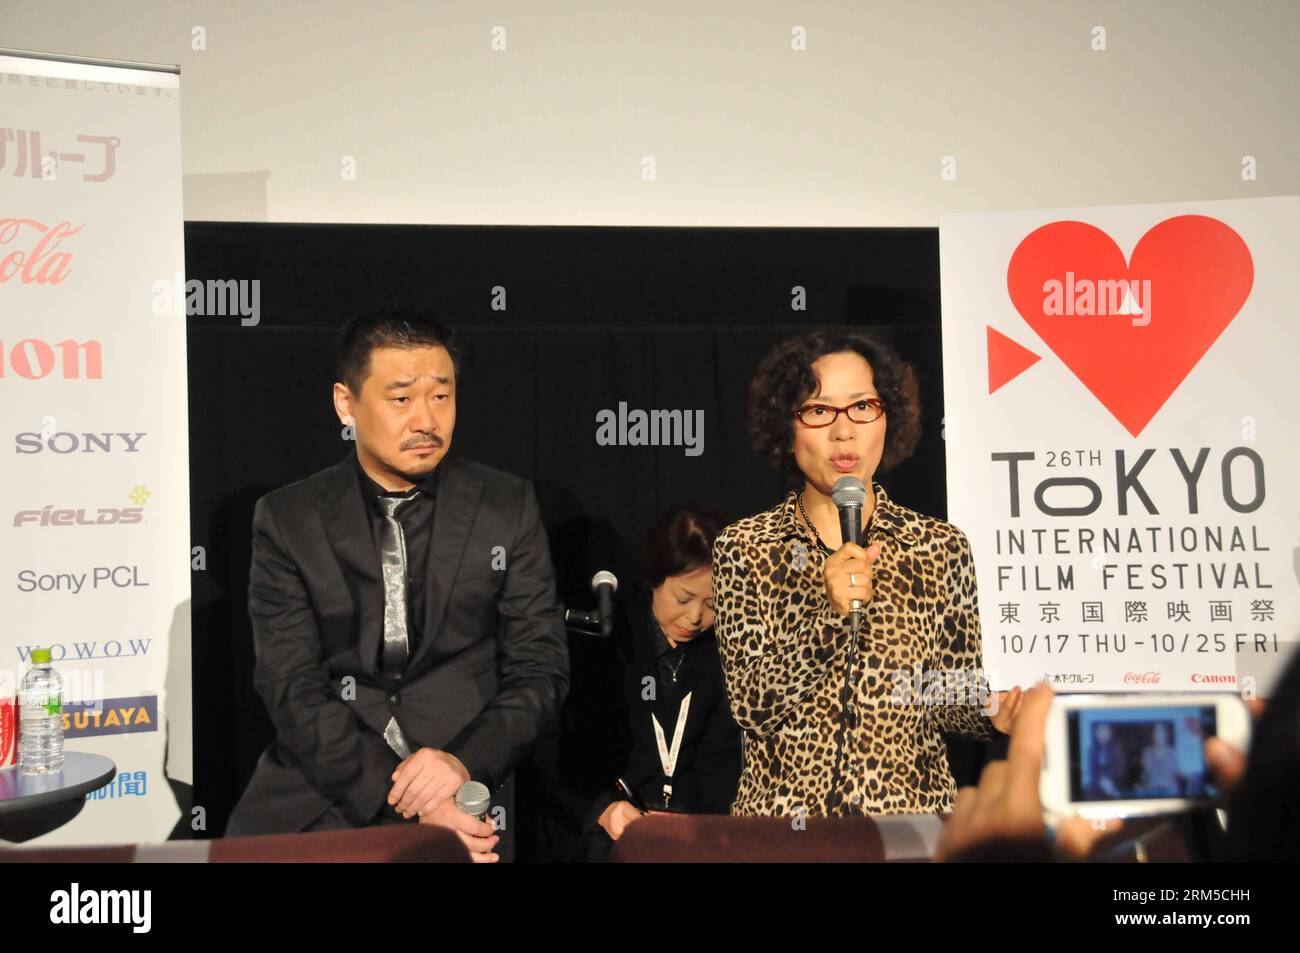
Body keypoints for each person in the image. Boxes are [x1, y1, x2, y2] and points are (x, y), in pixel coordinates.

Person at [225, 307, 569, 863]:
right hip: (328, 781)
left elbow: (541, 669)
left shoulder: (506, 507)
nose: (427, 420)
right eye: (402, 398)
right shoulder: (288, 518)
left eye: (441, 396)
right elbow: (291, 684)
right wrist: (407, 802)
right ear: (346, 403)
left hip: (463, 781)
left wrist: (460, 765)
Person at [711, 329, 1021, 817]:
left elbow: (943, 693)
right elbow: (752, 705)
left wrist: (991, 711)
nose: (843, 431)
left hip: (907, 825)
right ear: (785, 427)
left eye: (862, 407)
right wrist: (828, 618)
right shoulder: (747, 547)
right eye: (818, 411)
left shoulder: (938, 546)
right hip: (785, 828)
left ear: (887, 417)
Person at [589, 505, 741, 850]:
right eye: (683, 598)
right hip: (606, 832)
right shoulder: (611, 641)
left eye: (713, 605)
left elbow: (722, 761)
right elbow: (564, 756)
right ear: (654, 580)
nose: (694, 617)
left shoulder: (724, 654)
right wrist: (603, 809)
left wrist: (701, 822)